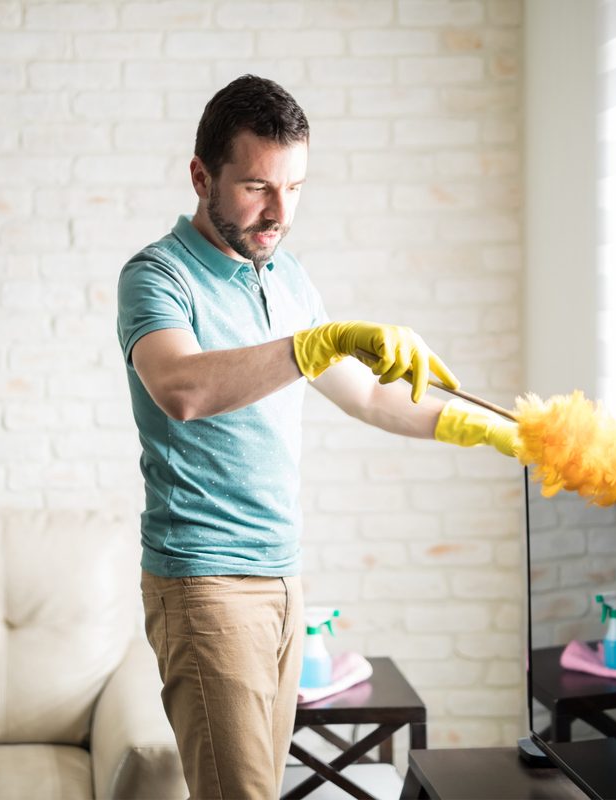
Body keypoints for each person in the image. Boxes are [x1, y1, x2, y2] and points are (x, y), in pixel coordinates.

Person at [116, 74, 517, 800]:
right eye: (257, 187)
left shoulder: (287, 277)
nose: (278, 212)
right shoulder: (157, 276)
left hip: (282, 575)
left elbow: (365, 395)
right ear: (201, 175)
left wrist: (484, 428)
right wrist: (316, 344)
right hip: (203, 582)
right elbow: (181, 389)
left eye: (295, 188)